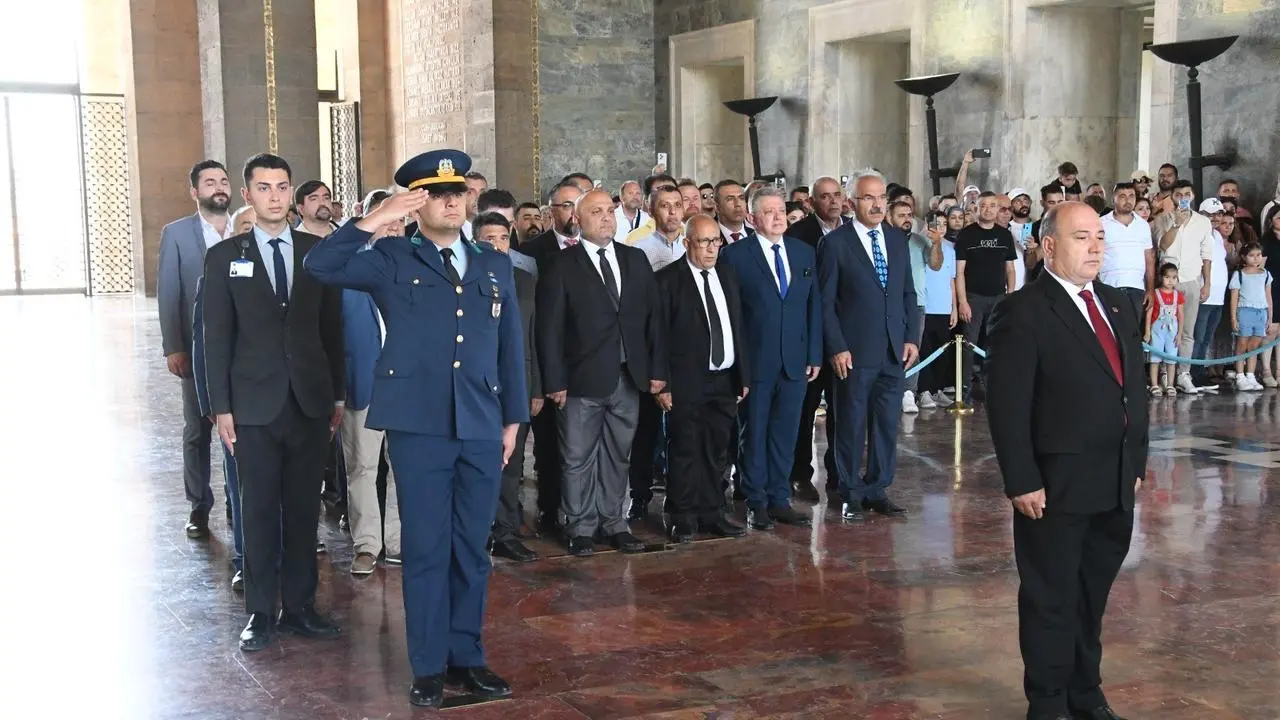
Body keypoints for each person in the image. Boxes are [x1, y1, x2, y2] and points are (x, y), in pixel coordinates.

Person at [304, 149, 527, 707]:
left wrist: (513, 418)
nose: (451, 202)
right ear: (416, 202)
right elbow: (320, 266)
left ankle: (467, 656)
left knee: (472, 548)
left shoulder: (493, 262)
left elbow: (510, 346)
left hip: (480, 420)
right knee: (427, 547)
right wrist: (377, 218)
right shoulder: (391, 256)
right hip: (419, 424)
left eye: (458, 193)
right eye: (437, 194)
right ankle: (428, 664)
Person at [985, 201, 1148, 720]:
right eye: (1082, 237)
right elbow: (1007, 405)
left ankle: (1085, 691)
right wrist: (1021, 479)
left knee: (1091, 595)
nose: (1096, 247)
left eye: (1100, 237)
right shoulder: (1023, 310)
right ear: (1049, 246)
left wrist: (1136, 462)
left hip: (1114, 479)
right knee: (1051, 597)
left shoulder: (1117, 303)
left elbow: (1133, 388)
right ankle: (1049, 700)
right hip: (1054, 485)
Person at [201, 153, 346, 652]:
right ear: (247, 195)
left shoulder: (316, 252)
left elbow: (331, 330)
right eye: (264, 188)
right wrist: (221, 406)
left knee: (304, 511)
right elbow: (215, 337)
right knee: (259, 510)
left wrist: (338, 394)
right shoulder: (225, 257)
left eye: (282, 186)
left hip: (309, 401)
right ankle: (260, 612)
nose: (275, 196)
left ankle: (301, 607)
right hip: (252, 405)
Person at [535, 189, 665, 557]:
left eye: (610, 210)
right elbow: (549, 329)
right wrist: (554, 380)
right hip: (579, 379)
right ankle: (580, 527)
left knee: (618, 454)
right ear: (577, 219)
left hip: (628, 377)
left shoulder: (635, 259)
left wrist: (657, 370)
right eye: (596, 211)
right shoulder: (561, 265)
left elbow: (653, 319)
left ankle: (614, 522)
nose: (607, 217)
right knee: (577, 457)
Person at [819, 170, 920, 521]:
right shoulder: (835, 244)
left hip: (893, 351)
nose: (877, 205)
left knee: (886, 424)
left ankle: (878, 488)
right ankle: (849, 491)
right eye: (868, 198)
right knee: (850, 424)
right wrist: (836, 346)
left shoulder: (896, 239)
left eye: (881, 198)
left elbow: (908, 292)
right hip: (853, 352)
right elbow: (825, 303)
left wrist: (911, 337)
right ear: (851, 203)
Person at [719, 186, 821, 530]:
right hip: (755, 364)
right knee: (754, 434)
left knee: (786, 433)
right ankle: (756, 501)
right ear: (752, 217)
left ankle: (779, 498)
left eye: (780, 211)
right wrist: (738, 367)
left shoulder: (803, 252)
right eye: (768, 212)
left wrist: (814, 353)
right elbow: (731, 316)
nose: (777, 217)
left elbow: (813, 306)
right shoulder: (735, 256)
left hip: (795, 362)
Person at [654, 214, 750, 542]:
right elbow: (657, 337)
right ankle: (681, 514)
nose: (711, 249)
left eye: (716, 241)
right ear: (687, 243)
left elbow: (737, 326)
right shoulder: (667, 280)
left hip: (724, 379)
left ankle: (712, 512)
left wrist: (743, 375)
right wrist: (662, 383)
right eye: (704, 242)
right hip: (684, 382)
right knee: (684, 448)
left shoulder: (727, 273)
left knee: (717, 448)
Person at [157, 159, 233, 538]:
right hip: (197, 348)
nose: (218, 187)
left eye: (223, 181)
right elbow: (170, 293)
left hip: (243, 349)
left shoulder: (245, 227)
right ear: (194, 192)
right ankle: (199, 505)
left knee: (241, 429)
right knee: (197, 428)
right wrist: (174, 346)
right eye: (209, 182)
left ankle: (238, 501)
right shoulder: (177, 234)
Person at [338, 189, 402, 575]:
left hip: (407, 387)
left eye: (400, 222)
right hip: (361, 384)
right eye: (386, 220)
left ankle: (398, 541)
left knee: (404, 467)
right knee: (362, 467)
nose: (393, 228)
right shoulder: (349, 268)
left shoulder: (417, 268)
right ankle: (366, 545)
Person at [472, 212, 542, 563]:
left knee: (512, 464)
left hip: (518, 381)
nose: (498, 245)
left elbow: (533, 337)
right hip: (477, 385)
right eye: (490, 239)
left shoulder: (524, 279)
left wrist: (537, 388)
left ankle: (506, 532)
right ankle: (477, 531)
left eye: (503, 238)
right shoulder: (466, 277)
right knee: (478, 463)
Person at [1228, 243, 1274, 392]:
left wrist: (1270, 317)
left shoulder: (1265, 274)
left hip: (1261, 313)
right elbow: (1234, 298)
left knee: (1254, 346)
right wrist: (1234, 318)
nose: (1256, 258)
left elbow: (1268, 297)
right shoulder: (1239, 275)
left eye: (1258, 255)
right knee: (1242, 344)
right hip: (1245, 311)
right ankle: (1240, 375)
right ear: (1244, 257)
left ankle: (1250, 375)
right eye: (1252, 255)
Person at [1145, 263, 1183, 395]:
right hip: (1157, 331)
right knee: (1155, 358)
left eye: (1174, 277)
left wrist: (1179, 334)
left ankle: (1170, 385)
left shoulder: (1178, 295)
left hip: (1172, 332)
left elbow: (1181, 315)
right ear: (1161, 277)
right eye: (1167, 277)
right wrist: (1147, 332)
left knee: (1171, 358)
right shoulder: (1155, 294)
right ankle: (1154, 384)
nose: (1170, 280)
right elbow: (1149, 313)